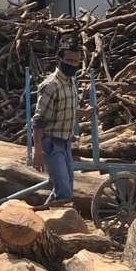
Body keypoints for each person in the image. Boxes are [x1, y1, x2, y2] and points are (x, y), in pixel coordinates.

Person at [32, 40, 82, 205]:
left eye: (76, 62)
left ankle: (44, 218)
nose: (73, 65)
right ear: (59, 60)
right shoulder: (51, 85)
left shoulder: (70, 82)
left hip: (65, 143)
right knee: (64, 191)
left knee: (64, 189)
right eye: (69, 61)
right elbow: (39, 120)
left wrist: (85, 113)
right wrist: (37, 151)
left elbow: (65, 109)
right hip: (51, 144)